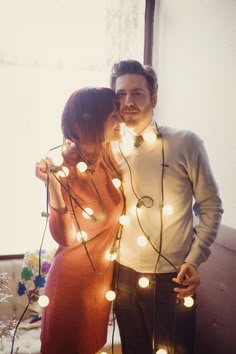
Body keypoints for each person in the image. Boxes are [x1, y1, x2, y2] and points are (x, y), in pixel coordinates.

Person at [109, 60, 223, 354]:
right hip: (122, 275)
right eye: (121, 94)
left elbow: (211, 207)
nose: (128, 102)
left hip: (171, 277)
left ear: (154, 100)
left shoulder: (185, 142)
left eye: (137, 93)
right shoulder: (110, 148)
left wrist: (195, 259)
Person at [35, 87, 124, 354]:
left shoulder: (108, 161)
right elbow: (64, 237)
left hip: (100, 287)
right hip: (71, 287)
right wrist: (53, 185)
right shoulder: (66, 170)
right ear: (92, 121)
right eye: (114, 115)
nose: (120, 120)